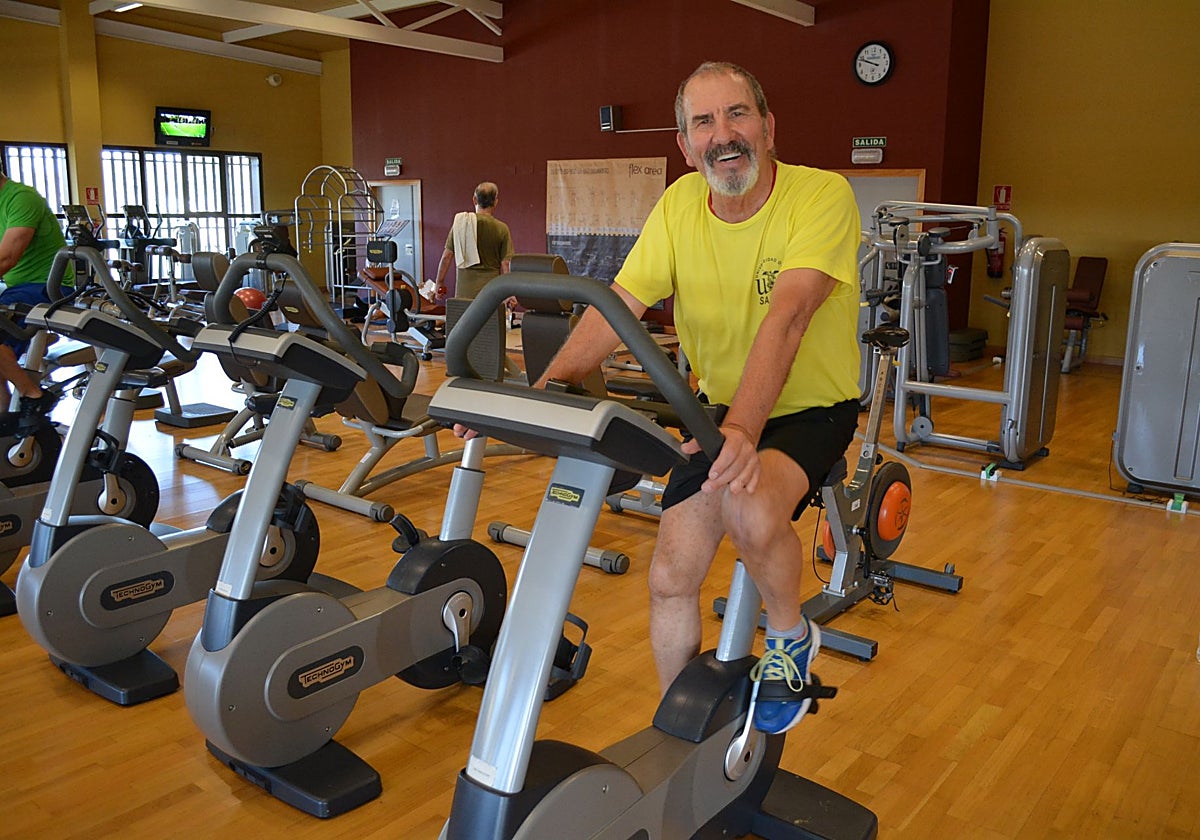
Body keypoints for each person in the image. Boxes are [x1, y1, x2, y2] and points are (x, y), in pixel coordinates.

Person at [511, 62, 862, 733]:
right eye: (704, 122)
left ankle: (790, 638)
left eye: (737, 114)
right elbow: (620, 305)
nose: (722, 134)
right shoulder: (678, 205)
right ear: (684, 143)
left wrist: (746, 431)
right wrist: (541, 393)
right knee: (670, 575)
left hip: (810, 408)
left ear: (768, 128)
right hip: (717, 411)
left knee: (750, 510)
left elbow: (788, 316)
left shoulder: (821, 196)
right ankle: (679, 726)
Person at [0, 168, 65, 434]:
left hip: (47, 287)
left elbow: (7, 257)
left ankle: (34, 395)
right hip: (17, 289)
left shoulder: (21, 198)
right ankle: (4, 421)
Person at [432, 181, 514, 300]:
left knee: (464, 313)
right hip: (490, 294)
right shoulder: (502, 228)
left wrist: (439, 282)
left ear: (474, 200)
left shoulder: (460, 225)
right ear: (496, 202)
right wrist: (510, 294)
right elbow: (506, 264)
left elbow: (446, 257)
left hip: (464, 293)